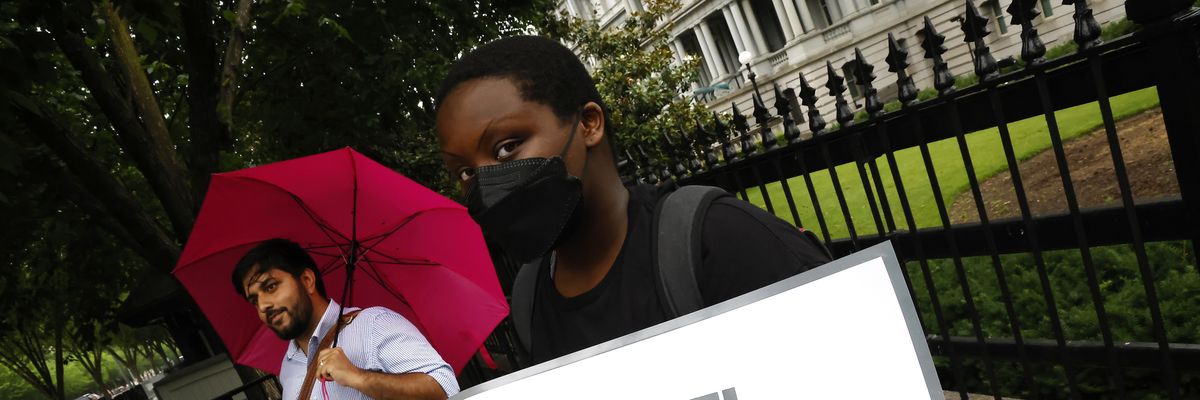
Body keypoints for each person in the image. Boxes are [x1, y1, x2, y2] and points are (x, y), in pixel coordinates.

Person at [434, 35, 832, 364]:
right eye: (466, 172)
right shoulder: (528, 300)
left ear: (589, 124)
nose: (484, 184)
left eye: (506, 148)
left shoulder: (720, 239)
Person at [232, 238, 458, 399]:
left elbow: (444, 388)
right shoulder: (288, 365)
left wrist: (358, 377)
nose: (263, 305)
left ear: (307, 280)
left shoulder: (373, 324)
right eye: (254, 300)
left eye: (271, 287)